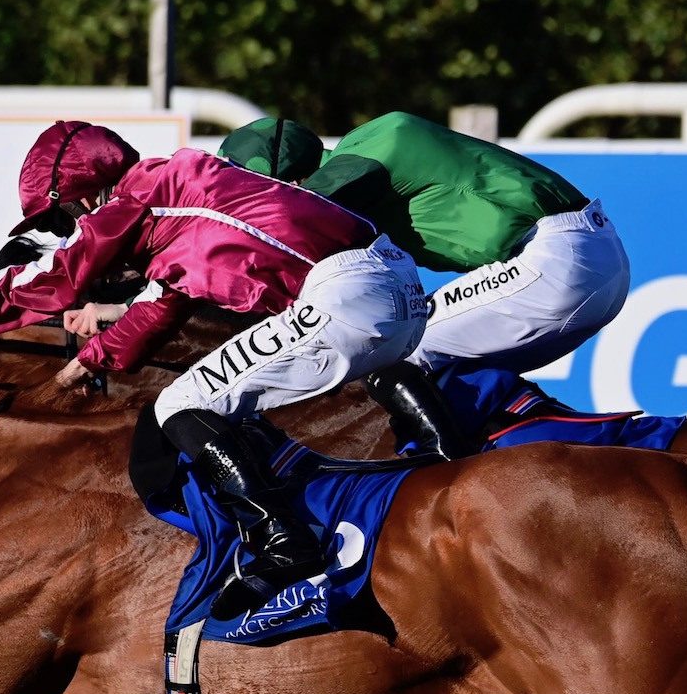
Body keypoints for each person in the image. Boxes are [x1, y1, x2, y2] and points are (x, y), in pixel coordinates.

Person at [0, 120, 450, 595]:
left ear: (85, 194)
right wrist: (89, 363)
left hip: (347, 294)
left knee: (182, 405)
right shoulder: (175, 195)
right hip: (395, 288)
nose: (66, 229)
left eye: (61, 216)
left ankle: (284, 540)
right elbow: (162, 305)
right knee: (219, 400)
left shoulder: (137, 199)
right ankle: (444, 452)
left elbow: (50, 281)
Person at [217, 111, 632, 449]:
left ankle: (450, 468)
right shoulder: (362, 159)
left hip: (556, 258)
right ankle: (553, 442)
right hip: (587, 255)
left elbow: (294, 216)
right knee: (447, 373)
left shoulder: (372, 148)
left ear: (282, 180)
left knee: (393, 352)